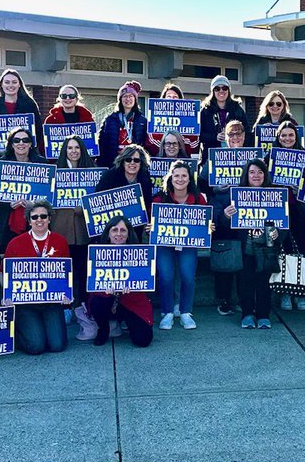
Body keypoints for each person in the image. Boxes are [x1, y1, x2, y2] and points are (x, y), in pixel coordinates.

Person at [224, 159, 286, 329]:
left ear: (265, 175)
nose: (256, 175)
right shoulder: (235, 195)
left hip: (266, 249)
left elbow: (285, 224)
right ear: (246, 175)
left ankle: (264, 315)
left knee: (264, 283)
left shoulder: (275, 194)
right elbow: (223, 226)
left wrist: (278, 233)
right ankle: (247, 314)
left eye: (260, 172)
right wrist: (226, 216)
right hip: (245, 248)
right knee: (245, 282)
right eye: (252, 172)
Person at [3, 200, 70, 355]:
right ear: (29, 220)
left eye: (43, 216)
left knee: (57, 345)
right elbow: (4, 273)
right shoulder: (15, 243)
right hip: (26, 304)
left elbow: (66, 272)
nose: (39, 220)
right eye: (34, 217)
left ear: (49, 219)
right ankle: (16, 332)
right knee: (36, 347)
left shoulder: (60, 241)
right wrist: (7, 295)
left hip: (51, 302)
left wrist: (66, 293)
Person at [152, 160, 209, 330]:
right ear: (170, 177)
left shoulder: (199, 198)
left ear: (190, 179)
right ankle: (167, 312)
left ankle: (185, 312)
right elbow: (152, 221)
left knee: (188, 276)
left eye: (184, 175)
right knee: (166, 277)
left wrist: (208, 226)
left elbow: (206, 222)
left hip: (188, 244)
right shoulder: (159, 198)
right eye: (176, 175)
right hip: (165, 245)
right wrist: (151, 226)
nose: (180, 179)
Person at [202, 119, 247, 316]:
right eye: (231, 134)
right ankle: (225, 300)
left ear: (244, 136)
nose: (235, 137)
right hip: (221, 213)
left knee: (245, 260)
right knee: (223, 258)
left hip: (246, 216)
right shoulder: (214, 158)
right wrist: (214, 187)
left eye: (238, 133)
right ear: (225, 138)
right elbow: (200, 183)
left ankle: (242, 300)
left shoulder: (252, 157)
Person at [86, 216, 154, 347]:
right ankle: (103, 328)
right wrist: (104, 291)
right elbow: (92, 284)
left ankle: (126, 322)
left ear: (128, 234)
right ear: (108, 234)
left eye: (123, 230)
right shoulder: (97, 253)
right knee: (97, 300)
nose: (118, 234)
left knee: (143, 340)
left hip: (131, 301)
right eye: (114, 230)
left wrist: (132, 289)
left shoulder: (139, 253)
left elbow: (145, 284)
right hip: (106, 301)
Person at [53, 135, 96, 339]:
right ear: (64, 150)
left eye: (77, 147)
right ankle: (66, 307)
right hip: (62, 230)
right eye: (70, 148)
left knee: (83, 272)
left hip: (85, 231)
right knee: (65, 272)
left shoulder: (92, 172)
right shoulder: (55, 172)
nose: (73, 151)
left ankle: (84, 308)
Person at [267, 120, 305, 311]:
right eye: (283, 135)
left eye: (290, 135)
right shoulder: (270, 157)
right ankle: (284, 293)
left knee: (300, 251)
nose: (287, 138)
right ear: (278, 137)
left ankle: (299, 294)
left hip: (300, 212)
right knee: (282, 251)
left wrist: (299, 189)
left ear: (296, 137)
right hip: (278, 211)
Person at [0, 126, 41, 261]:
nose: (21, 143)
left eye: (25, 140)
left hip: (34, 220)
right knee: (5, 258)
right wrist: (9, 204)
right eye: (16, 140)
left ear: (30, 144)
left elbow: (47, 195)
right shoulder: (2, 163)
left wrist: (34, 205)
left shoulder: (41, 163)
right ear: (11, 144)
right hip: (7, 220)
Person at [0, 69, 44, 154]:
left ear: (19, 85)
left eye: (14, 82)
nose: (11, 85)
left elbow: (38, 131)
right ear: (1, 85)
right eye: (7, 82)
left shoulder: (30, 105)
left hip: (24, 156)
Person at [97, 81, 148, 167]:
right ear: (120, 100)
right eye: (125, 96)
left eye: (131, 96)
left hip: (134, 163)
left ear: (135, 99)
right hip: (114, 163)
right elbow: (102, 143)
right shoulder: (110, 120)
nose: (128, 99)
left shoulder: (142, 121)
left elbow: (146, 144)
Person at [199, 75, 248, 158]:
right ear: (213, 92)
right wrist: (215, 137)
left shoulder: (237, 109)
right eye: (217, 89)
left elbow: (247, 131)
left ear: (228, 90)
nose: (221, 91)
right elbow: (199, 134)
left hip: (234, 155)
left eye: (224, 88)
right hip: (211, 156)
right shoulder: (205, 110)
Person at [147, 83, 200, 156]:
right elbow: (150, 142)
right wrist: (166, 142)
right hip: (160, 158)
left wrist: (178, 140)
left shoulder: (190, 119)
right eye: (169, 96)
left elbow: (194, 144)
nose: (172, 99)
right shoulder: (154, 119)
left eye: (175, 97)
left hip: (183, 158)